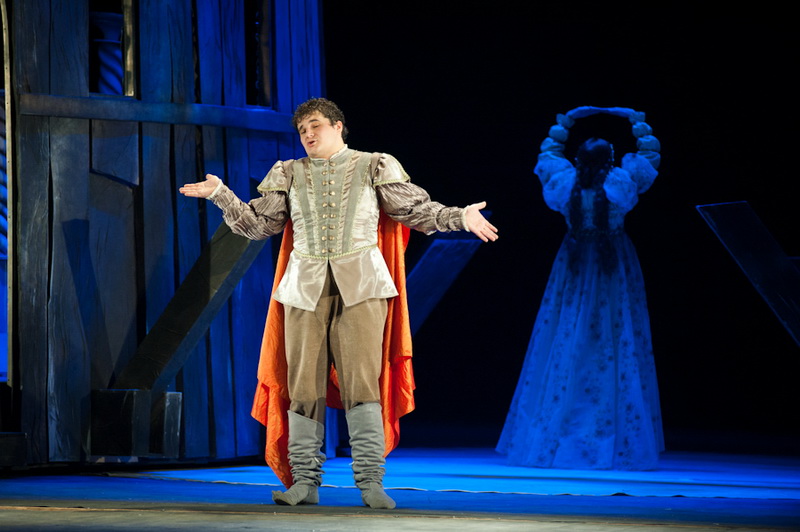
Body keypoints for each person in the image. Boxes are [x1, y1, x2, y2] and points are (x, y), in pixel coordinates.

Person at [180, 97, 498, 508]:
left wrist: (459, 217)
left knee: (362, 384)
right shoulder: (288, 173)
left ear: (337, 126)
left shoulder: (374, 165)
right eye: (302, 130)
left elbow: (415, 211)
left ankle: (370, 482)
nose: (308, 134)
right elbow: (258, 225)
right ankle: (304, 482)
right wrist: (222, 195)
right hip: (303, 290)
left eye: (315, 125)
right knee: (302, 387)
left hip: (362, 287)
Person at [496, 106, 663, 470]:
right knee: (614, 335)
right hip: (610, 262)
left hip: (575, 262)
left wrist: (565, 122)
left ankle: (563, 431)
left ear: (578, 159)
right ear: (611, 159)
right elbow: (650, 157)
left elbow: (547, 156)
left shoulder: (565, 182)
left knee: (566, 333)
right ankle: (604, 436)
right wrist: (636, 121)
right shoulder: (620, 182)